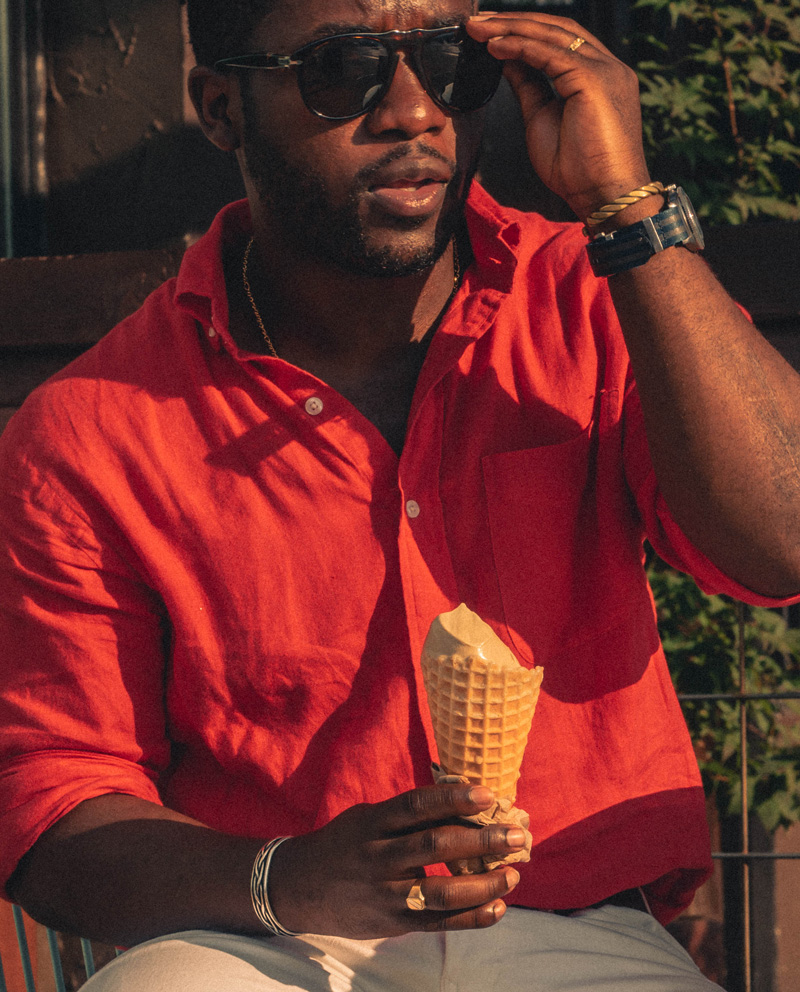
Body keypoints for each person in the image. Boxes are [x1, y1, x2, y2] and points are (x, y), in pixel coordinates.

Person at [2, 0, 800, 988]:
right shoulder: (97, 425)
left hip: (578, 924)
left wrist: (628, 205)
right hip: (259, 936)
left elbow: (782, 541)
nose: (414, 112)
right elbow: (57, 800)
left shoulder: (586, 301)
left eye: (446, 63)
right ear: (220, 106)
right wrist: (287, 873)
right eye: (344, 68)